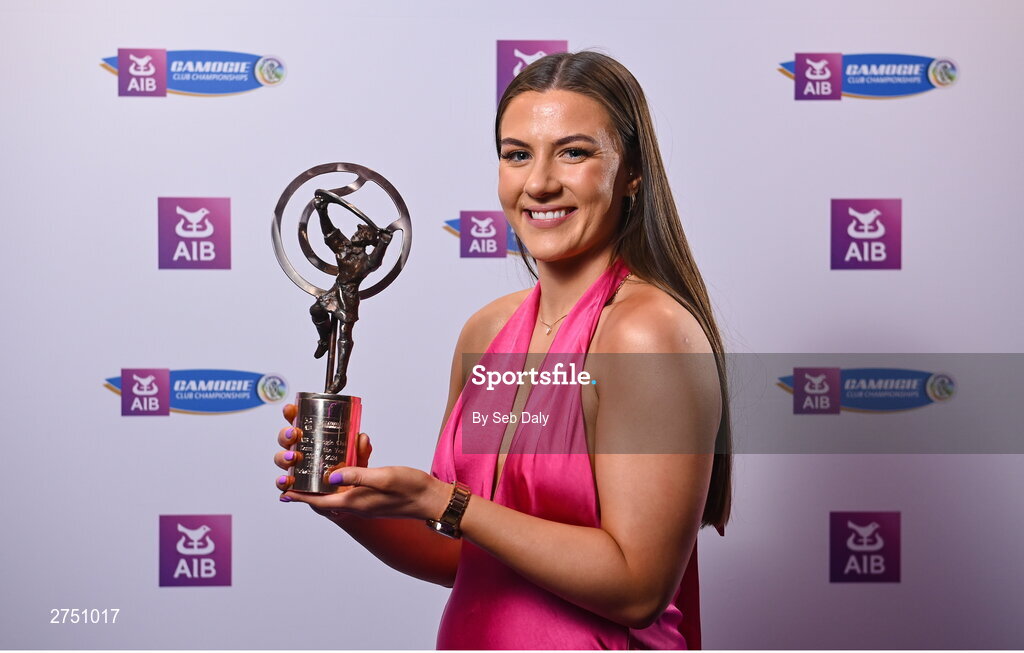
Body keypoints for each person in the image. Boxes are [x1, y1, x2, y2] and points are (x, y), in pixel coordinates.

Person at [274, 51, 732, 650]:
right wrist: (351, 504)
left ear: (632, 172)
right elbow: (462, 557)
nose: (538, 182)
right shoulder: (486, 331)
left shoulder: (647, 334)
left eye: (574, 152)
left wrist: (439, 498)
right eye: (517, 154)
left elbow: (638, 588)